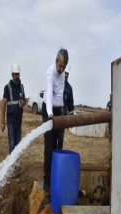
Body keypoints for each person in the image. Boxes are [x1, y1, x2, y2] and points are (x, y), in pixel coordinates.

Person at [42, 48, 69, 193]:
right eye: (60, 66)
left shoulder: (63, 74)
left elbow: (60, 93)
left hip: (58, 110)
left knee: (58, 145)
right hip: (49, 110)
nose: (61, 69)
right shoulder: (50, 72)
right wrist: (51, 114)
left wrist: (63, 111)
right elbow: (50, 93)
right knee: (49, 147)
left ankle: (56, 177)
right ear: (56, 61)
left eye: (64, 67)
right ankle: (46, 180)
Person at [1, 63, 26, 176]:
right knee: (12, 144)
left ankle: (15, 165)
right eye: (15, 74)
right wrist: (2, 121)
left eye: (18, 74)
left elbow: (23, 100)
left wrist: (23, 102)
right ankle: (11, 168)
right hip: (10, 121)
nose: (16, 76)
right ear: (11, 74)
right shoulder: (7, 87)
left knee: (18, 144)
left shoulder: (21, 87)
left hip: (18, 120)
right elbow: (3, 105)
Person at [57, 65, 74, 149]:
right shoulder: (56, 83)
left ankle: (58, 156)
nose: (66, 75)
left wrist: (71, 118)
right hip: (54, 115)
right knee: (52, 138)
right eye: (65, 73)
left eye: (67, 74)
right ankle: (51, 159)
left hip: (63, 118)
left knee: (60, 138)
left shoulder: (69, 88)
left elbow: (71, 105)